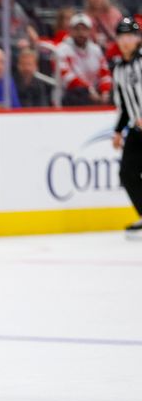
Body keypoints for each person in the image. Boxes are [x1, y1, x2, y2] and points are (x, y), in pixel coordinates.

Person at [110, 17, 142, 238]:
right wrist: (118, 131)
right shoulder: (118, 69)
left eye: (130, 36)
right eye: (122, 37)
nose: (125, 41)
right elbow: (122, 104)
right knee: (127, 173)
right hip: (137, 130)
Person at [55, 13, 112, 106]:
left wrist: (105, 91)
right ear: (71, 31)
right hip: (71, 95)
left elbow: (105, 74)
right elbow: (68, 79)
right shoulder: (62, 50)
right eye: (77, 29)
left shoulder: (96, 50)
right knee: (78, 93)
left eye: (84, 29)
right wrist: (89, 90)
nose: (81, 33)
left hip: (95, 93)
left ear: (89, 31)